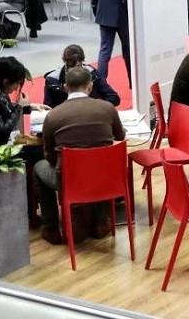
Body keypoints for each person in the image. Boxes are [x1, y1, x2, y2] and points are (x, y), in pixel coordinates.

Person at [34, 66, 126, 245]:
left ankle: (50, 227)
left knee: (39, 168)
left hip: (69, 179)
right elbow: (120, 136)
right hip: (105, 177)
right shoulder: (107, 108)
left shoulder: (53, 116)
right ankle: (101, 221)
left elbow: (49, 154)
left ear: (65, 87)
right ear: (90, 86)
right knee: (100, 165)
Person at [44, 44, 120, 108]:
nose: (76, 70)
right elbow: (47, 107)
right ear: (65, 62)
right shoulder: (52, 79)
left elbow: (113, 98)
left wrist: (95, 107)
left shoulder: (93, 74)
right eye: (72, 64)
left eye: (79, 64)